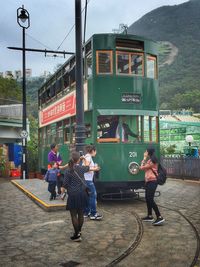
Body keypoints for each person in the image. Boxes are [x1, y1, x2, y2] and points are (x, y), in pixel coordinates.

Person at [61, 151, 100, 241]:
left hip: (73, 195)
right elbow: (87, 165)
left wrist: (62, 192)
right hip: (82, 194)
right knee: (81, 214)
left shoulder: (68, 171)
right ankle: (79, 231)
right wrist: (83, 159)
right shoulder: (82, 168)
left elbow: (64, 185)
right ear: (79, 160)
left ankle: (77, 234)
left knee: (74, 215)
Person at [139, 147, 165, 226]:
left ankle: (159, 217)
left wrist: (144, 157)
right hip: (149, 182)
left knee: (150, 199)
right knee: (147, 198)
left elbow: (141, 167)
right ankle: (150, 216)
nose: (145, 152)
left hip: (152, 182)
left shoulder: (152, 161)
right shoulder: (151, 160)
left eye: (146, 151)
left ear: (148, 152)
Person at [83, 145, 103, 220]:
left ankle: (86, 212)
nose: (96, 153)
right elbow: (86, 168)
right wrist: (95, 169)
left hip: (85, 180)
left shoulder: (86, 157)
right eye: (95, 151)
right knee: (93, 195)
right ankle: (93, 214)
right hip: (88, 180)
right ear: (93, 151)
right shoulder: (88, 157)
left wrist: (94, 168)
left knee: (88, 196)